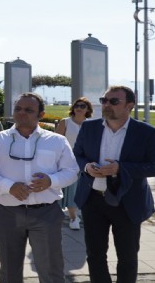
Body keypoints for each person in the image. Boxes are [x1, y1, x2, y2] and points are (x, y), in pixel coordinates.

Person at [0, 92, 78, 283]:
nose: (22, 113)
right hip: (8, 212)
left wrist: (51, 181)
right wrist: (9, 186)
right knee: (9, 269)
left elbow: (71, 171)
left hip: (46, 213)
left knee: (51, 270)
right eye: (18, 109)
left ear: (41, 114)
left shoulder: (56, 141)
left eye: (29, 110)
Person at [73, 86, 155, 283]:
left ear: (129, 106)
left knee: (128, 257)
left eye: (114, 101)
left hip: (127, 202)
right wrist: (87, 167)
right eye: (104, 100)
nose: (106, 105)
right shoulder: (89, 127)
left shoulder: (146, 133)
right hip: (93, 200)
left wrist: (120, 168)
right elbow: (77, 155)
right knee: (95, 255)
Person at [55, 97, 93, 230]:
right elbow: (56, 142)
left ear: (87, 109)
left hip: (85, 161)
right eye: (77, 105)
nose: (79, 108)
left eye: (83, 106)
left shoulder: (91, 124)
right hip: (67, 161)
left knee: (83, 190)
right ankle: (73, 218)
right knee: (69, 189)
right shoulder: (65, 122)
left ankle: (77, 215)